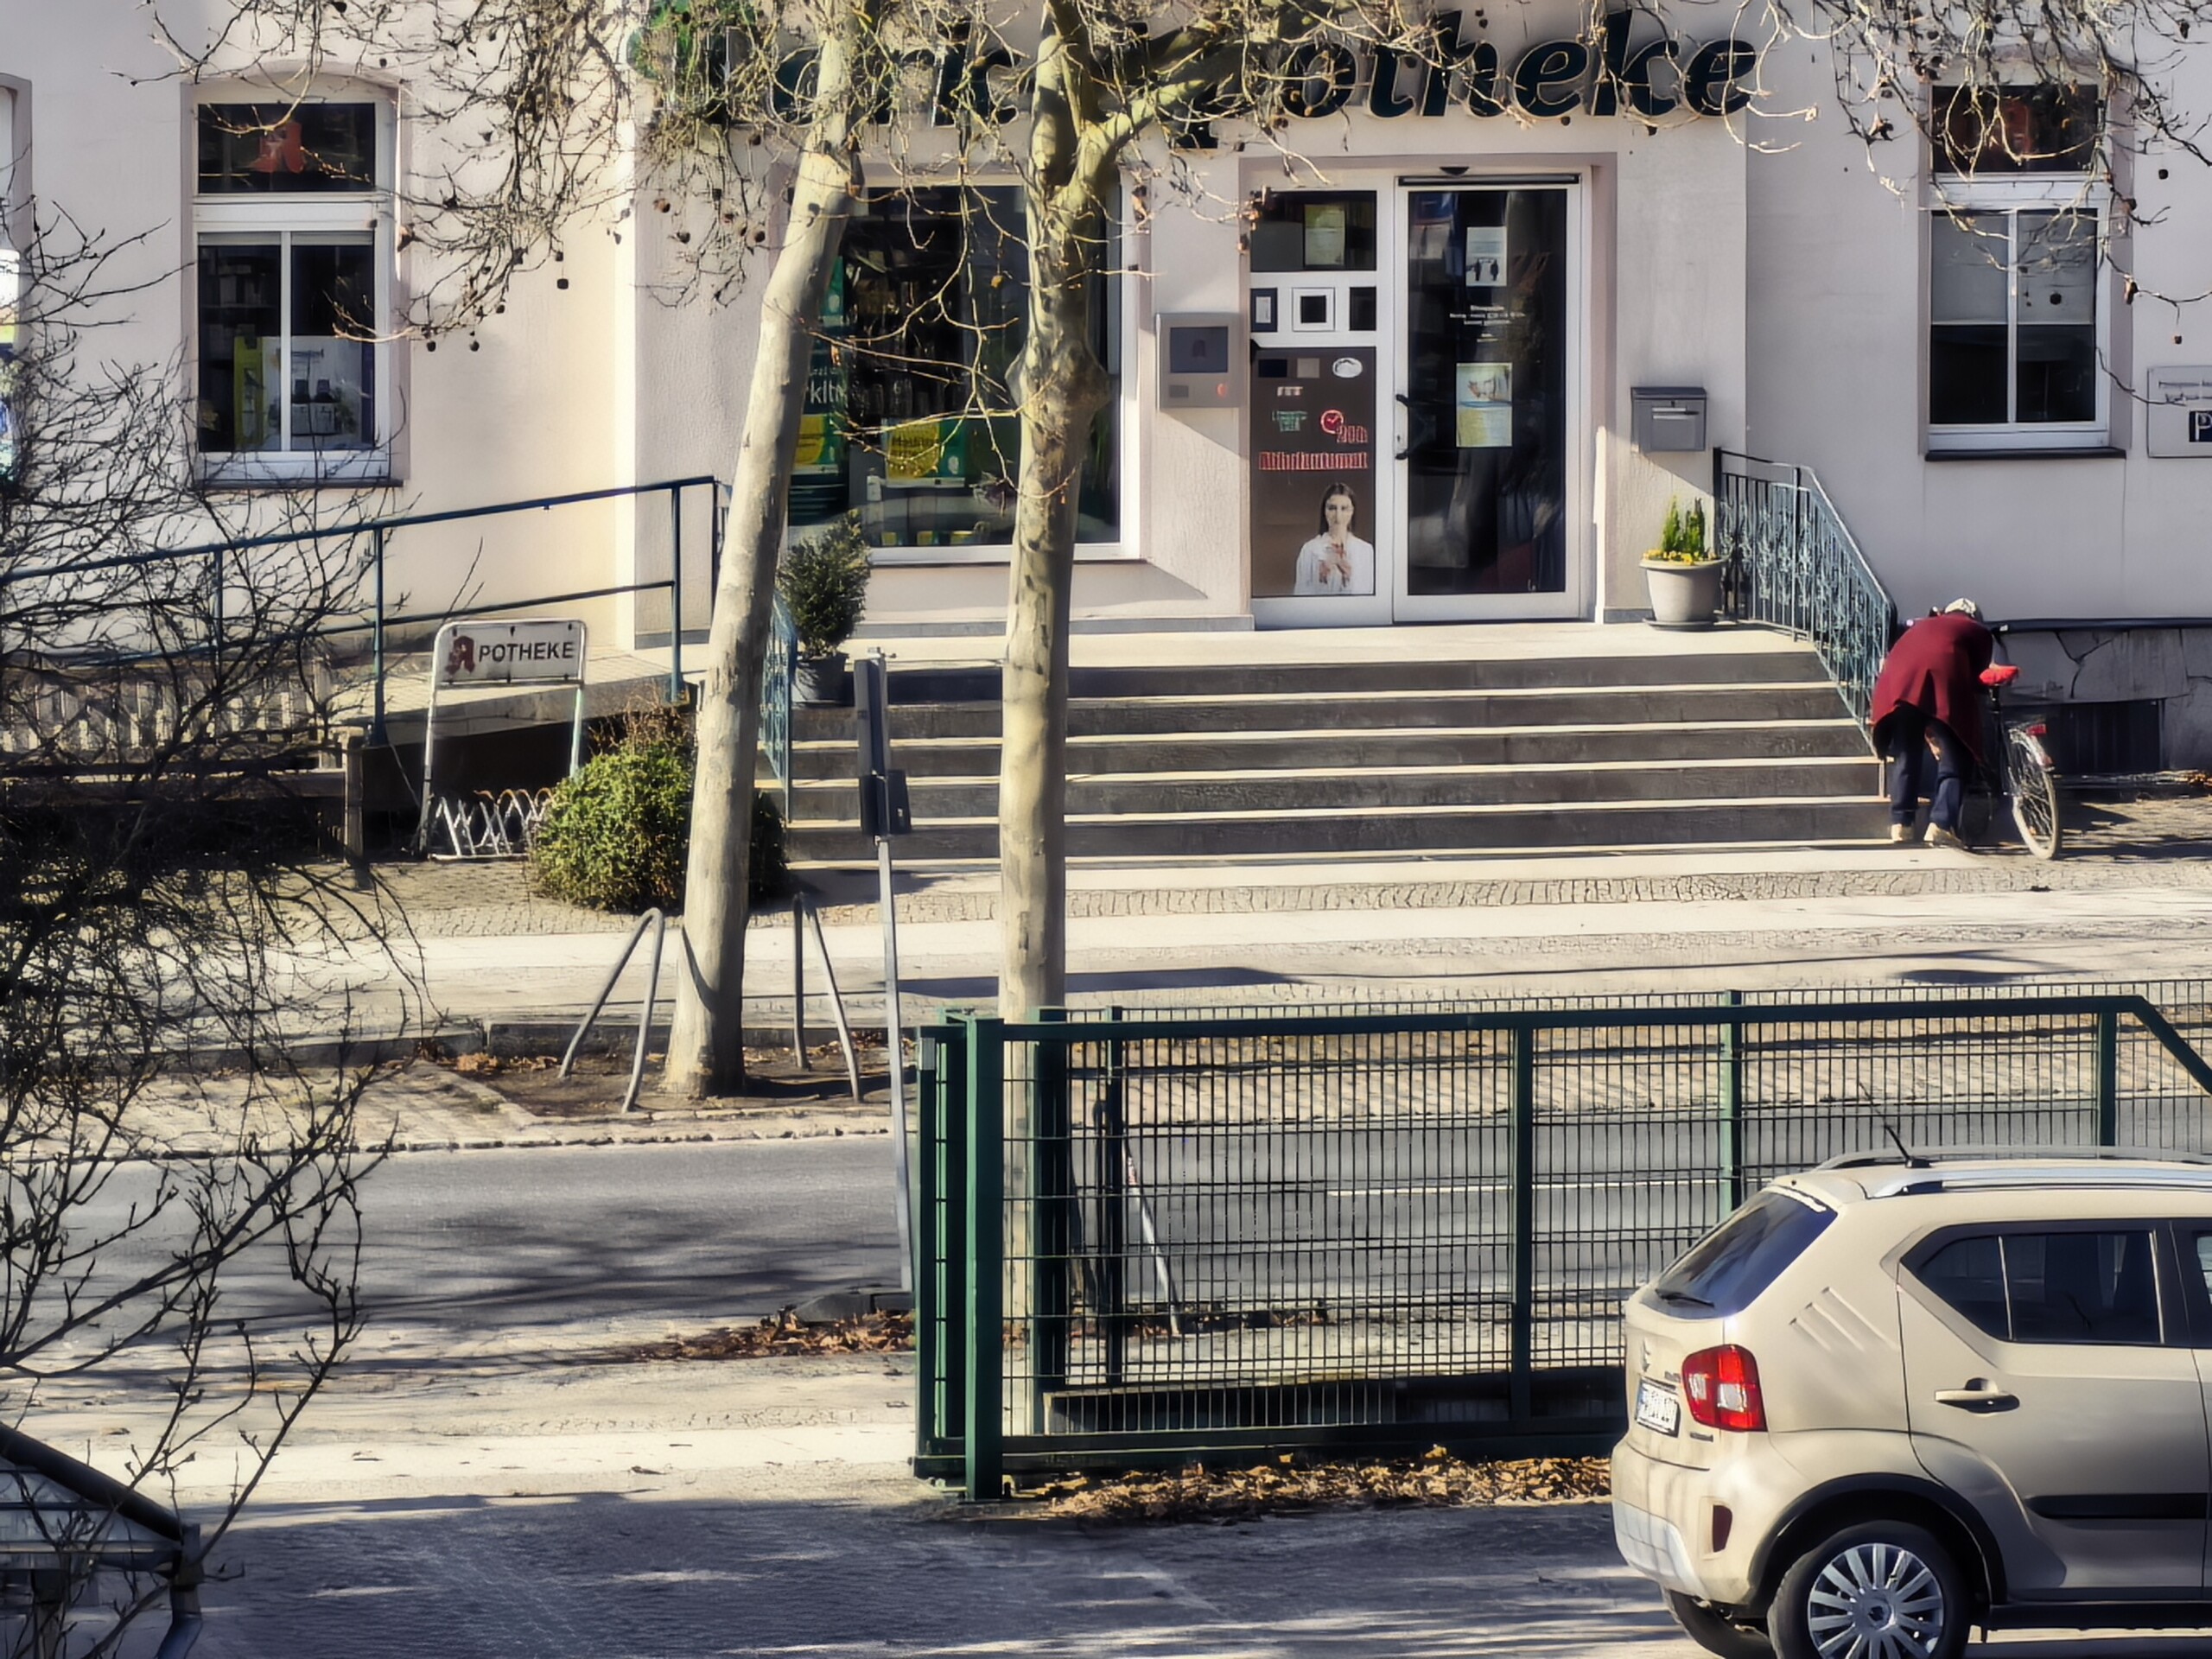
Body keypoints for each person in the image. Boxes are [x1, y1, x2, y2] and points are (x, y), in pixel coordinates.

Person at [1869, 597, 1995, 850]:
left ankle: (1901, 824)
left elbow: (1921, 689)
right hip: (1943, 684)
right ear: (1973, 616)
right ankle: (1941, 825)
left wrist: (1932, 734)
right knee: (1957, 756)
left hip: (1899, 688)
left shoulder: (1920, 626)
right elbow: (1974, 674)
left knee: (1907, 754)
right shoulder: (1975, 630)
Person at [1293, 482, 1376, 596]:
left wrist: (1349, 577)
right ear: (1324, 511)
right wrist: (1321, 578)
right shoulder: (1309, 550)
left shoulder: (1365, 551)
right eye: (1332, 508)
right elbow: (1300, 595)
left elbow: (1369, 595)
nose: (1338, 516)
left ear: (1352, 511)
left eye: (1344, 509)